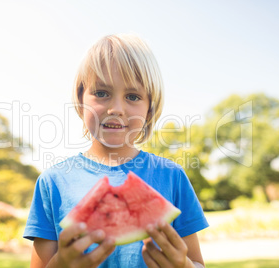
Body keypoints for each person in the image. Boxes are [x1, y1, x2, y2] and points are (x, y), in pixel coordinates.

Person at [23, 33, 209, 268]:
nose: (116, 108)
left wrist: (185, 266)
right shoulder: (52, 182)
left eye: (133, 96)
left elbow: (196, 263)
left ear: (150, 109)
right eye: (101, 93)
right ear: (80, 97)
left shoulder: (173, 176)